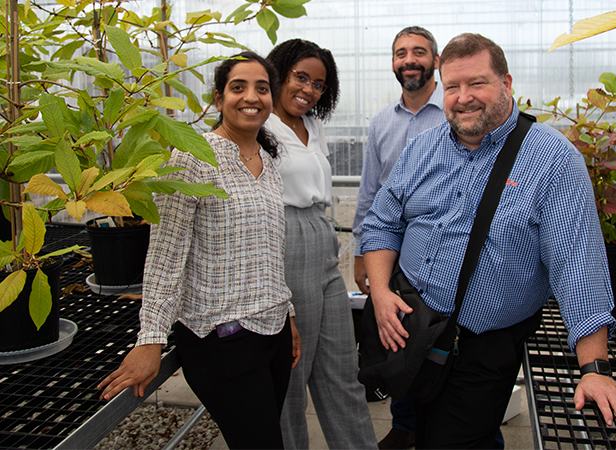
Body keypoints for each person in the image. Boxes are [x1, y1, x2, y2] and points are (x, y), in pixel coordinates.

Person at [361, 33, 616, 449]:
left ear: (507, 84)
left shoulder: (552, 159)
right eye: (453, 86)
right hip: (411, 329)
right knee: (419, 423)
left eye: (478, 83)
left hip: (479, 348)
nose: (464, 97)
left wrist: (595, 368)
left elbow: (577, 265)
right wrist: (383, 294)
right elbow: (382, 222)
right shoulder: (423, 148)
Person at [98, 52, 302, 449]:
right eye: (238, 87)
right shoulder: (191, 158)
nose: (251, 97)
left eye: (262, 88)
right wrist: (150, 339)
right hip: (223, 341)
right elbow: (164, 254)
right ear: (218, 98)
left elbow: (269, 252)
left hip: (272, 333)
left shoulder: (268, 162)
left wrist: (287, 313)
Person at [264, 39, 377, 450]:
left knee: (343, 372)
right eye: (301, 78)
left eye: (319, 84)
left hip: (321, 238)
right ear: (277, 73)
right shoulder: (259, 126)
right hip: (283, 241)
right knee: (292, 377)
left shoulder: (312, 125)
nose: (309, 89)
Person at [351, 26, 443, 450]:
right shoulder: (382, 122)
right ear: (393, 63)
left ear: (436, 61)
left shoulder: (454, 112)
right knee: (398, 337)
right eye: (401, 53)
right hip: (393, 252)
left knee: (441, 341)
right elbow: (369, 192)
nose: (410, 60)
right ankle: (405, 424)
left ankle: (455, 427)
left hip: (443, 248)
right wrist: (360, 253)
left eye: (419, 52)